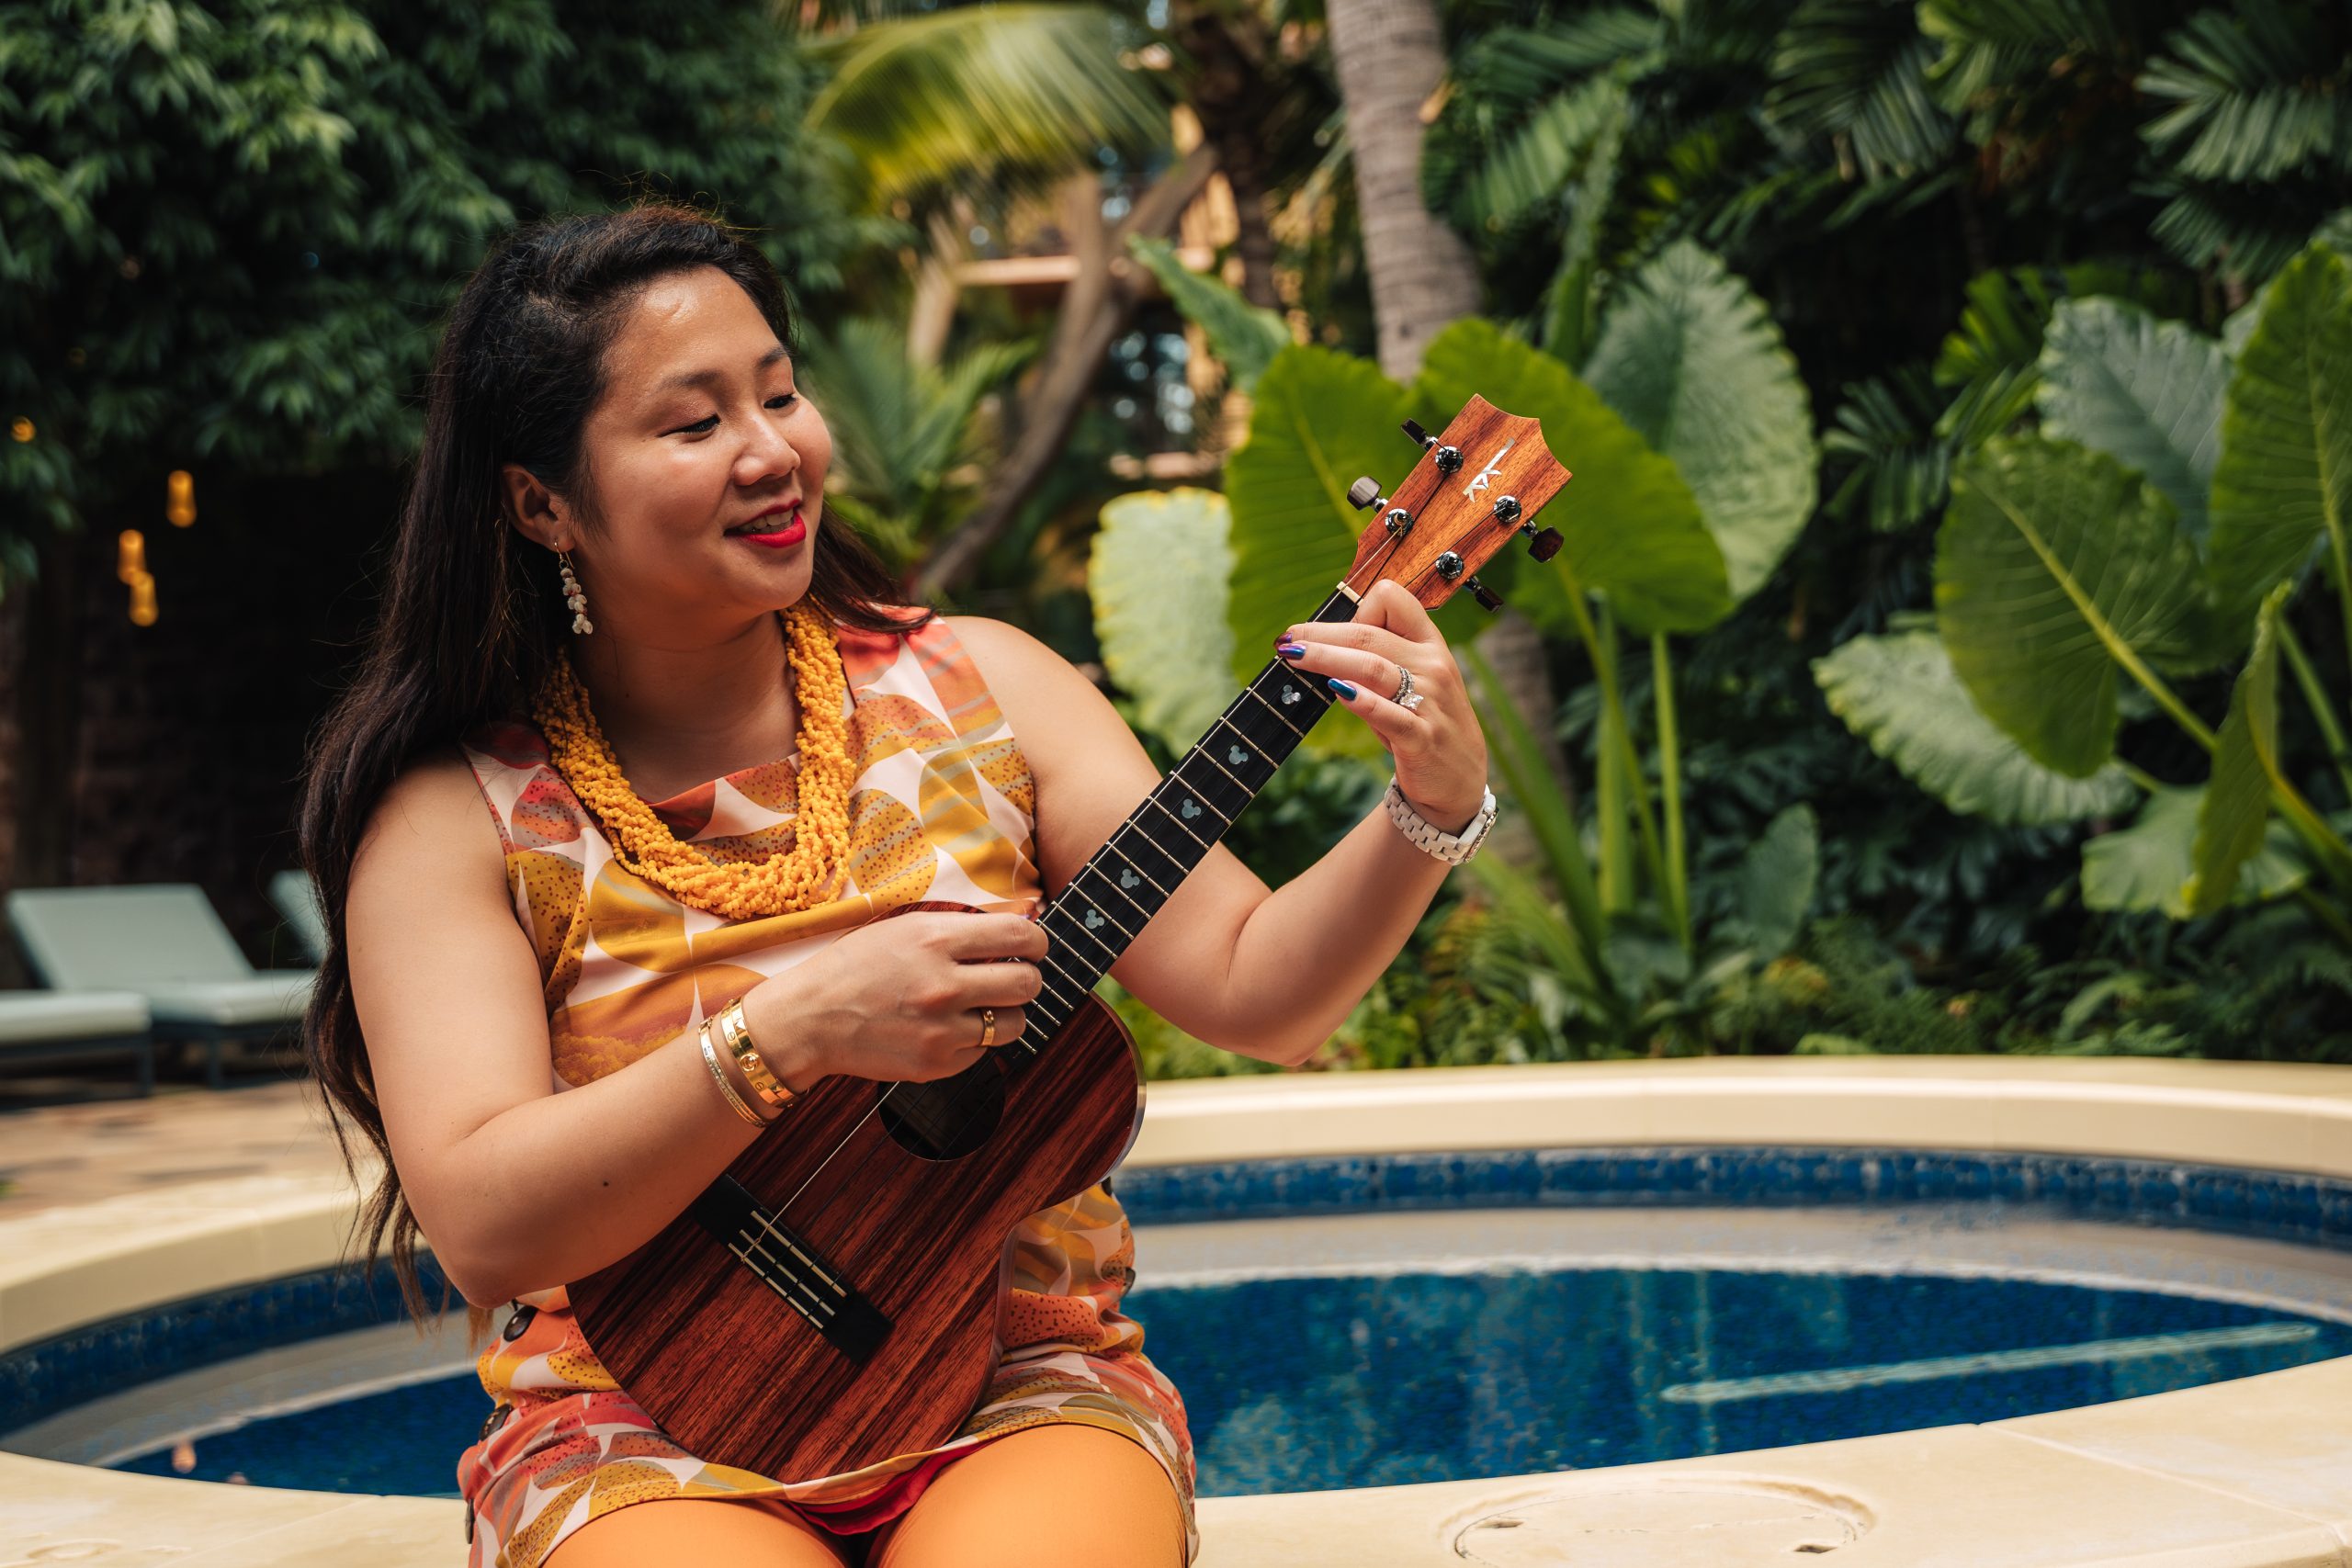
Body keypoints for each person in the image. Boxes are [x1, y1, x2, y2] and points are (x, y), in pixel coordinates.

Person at [294, 200, 1496, 1568]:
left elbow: (1257, 988)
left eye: (780, 394)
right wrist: (783, 1036)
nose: (773, 453)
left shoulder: (985, 688)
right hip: (641, 1424)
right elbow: (486, 1225)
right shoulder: (459, 816)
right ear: (539, 501)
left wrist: (1429, 809)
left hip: (1019, 1383)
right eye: (695, 425)